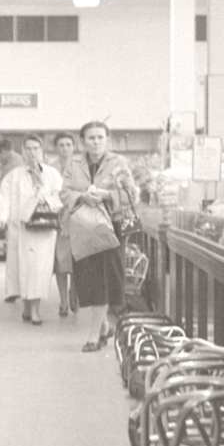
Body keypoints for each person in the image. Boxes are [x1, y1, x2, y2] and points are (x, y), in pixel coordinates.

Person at [61, 120, 134, 352]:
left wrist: (106, 195)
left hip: (110, 227)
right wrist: (82, 197)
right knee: (88, 278)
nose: (96, 142)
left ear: (107, 140)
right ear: (83, 141)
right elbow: (64, 192)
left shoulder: (118, 163)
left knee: (103, 278)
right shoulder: (74, 163)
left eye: (100, 137)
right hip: (83, 227)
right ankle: (103, 325)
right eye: (91, 138)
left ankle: (94, 336)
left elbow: (132, 194)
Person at [0, 135, 63, 325]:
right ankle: (27, 306)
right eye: (29, 149)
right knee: (22, 269)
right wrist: (1, 216)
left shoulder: (52, 174)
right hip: (21, 229)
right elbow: (4, 196)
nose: (32, 153)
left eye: (36, 149)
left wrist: (43, 195)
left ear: (42, 151)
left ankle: (35, 310)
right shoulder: (14, 175)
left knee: (39, 270)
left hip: (44, 229)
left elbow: (59, 197)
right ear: (23, 152)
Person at [50, 131, 79, 317]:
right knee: (60, 262)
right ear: (56, 147)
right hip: (57, 220)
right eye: (61, 145)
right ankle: (63, 301)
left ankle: (74, 294)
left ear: (74, 147)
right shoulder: (50, 168)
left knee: (77, 260)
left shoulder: (80, 167)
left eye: (68, 144)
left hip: (77, 218)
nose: (65, 148)